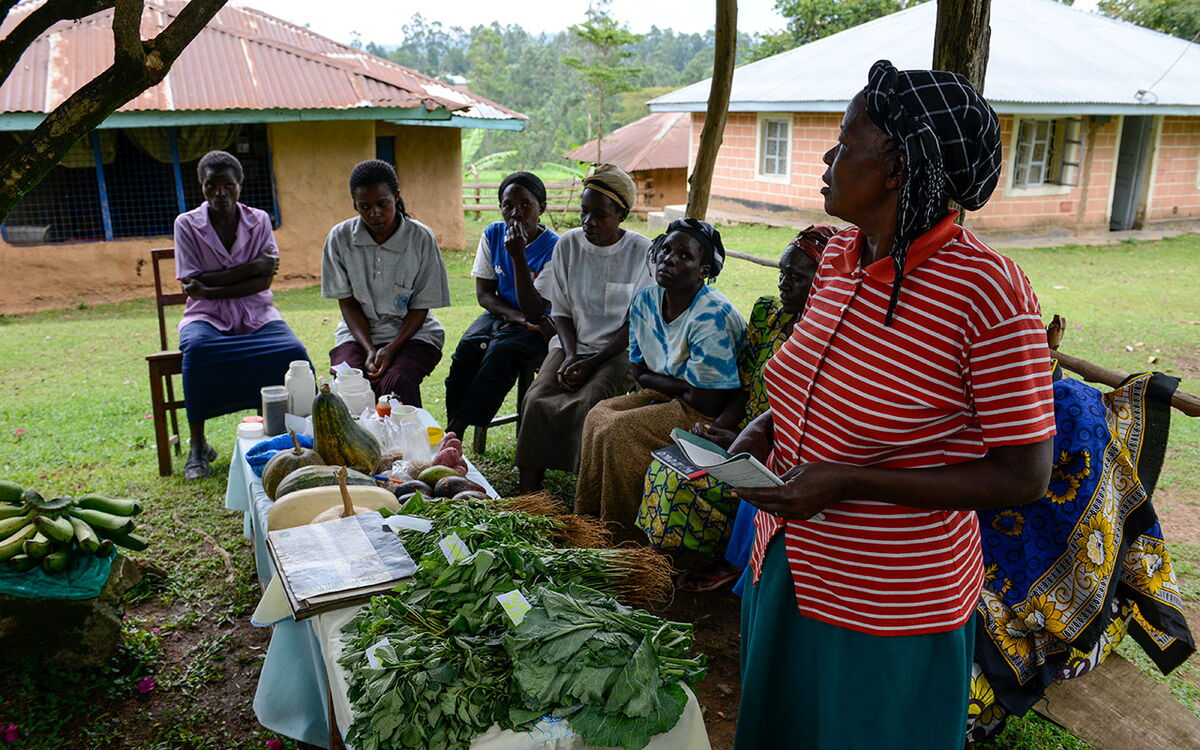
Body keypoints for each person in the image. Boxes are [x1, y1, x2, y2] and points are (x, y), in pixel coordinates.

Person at [731, 61, 1057, 749]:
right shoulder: (843, 254)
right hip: (791, 562)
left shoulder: (987, 292)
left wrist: (848, 480)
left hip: (889, 601)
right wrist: (767, 426)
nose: (827, 155)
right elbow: (814, 381)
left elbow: (1024, 475)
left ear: (898, 169)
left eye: (847, 143)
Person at [635, 225, 837, 591]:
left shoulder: (834, 338)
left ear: (827, 281)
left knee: (692, 483)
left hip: (789, 454)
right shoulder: (768, 315)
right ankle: (661, 565)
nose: (783, 284)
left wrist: (754, 445)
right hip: (745, 435)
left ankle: (728, 563)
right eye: (782, 273)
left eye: (796, 277)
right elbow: (743, 387)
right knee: (668, 467)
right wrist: (723, 430)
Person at [575, 218, 746, 539]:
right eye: (665, 250)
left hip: (707, 414)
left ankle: (622, 537)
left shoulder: (711, 314)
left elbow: (705, 400)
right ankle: (587, 523)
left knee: (619, 432)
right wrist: (682, 386)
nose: (669, 259)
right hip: (675, 394)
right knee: (597, 416)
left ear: (704, 270)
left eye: (684, 255)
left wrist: (672, 386)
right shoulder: (645, 302)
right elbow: (639, 371)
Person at [515, 164, 653, 492]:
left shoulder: (640, 251)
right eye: (584, 211)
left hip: (620, 351)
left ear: (621, 215)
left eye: (600, 215)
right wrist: (571, 355)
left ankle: (585, 493)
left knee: (591, 402)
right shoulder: (568, 245)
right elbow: (560, 311)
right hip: (571, 344)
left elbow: (634, 322)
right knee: (536, 400)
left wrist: (591, 362)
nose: (588, 222)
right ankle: (528, 494)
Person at [174, 150, 309, 480]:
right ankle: (198, 446)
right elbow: (194, 288)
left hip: (257, 312)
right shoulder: (187, 224)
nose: (220, 193)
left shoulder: (259, 220)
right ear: (201, 187)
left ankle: (285, 437)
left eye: (228, 185)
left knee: (291, 353)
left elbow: (263, 281)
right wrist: (249, 268)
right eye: (211, 186)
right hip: (204, 315)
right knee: (198, 350)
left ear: (240, 185)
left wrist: (209, 285)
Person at [321, 160, 450, 406]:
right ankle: (355, 444)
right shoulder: (339, 238)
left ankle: (407, 444)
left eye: (383, 204)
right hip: (357, 334)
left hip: (415, 334)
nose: (374, 213)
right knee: (348, 384)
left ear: (397, 197)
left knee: (395, 385)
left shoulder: (420, 238)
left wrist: (391, 348)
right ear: (354, 205)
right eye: (364, 206)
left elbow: (420, 307)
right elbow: (348, 304)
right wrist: (369, 348)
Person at [444, 172, 558, 439]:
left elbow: (538, 310)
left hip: (544, 322)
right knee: (468, 348)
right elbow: (484, 294)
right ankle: (453, 430)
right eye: (508, 205)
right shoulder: (493, 234)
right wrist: (518, 318)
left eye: (525, 205)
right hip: (506, 314)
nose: (516, 214)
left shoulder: (554, 248)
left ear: (541, 208)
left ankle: (456, 429)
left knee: (501, 352)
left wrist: (518, 255)